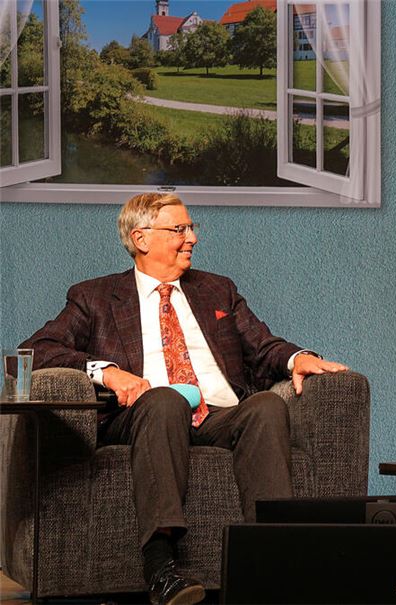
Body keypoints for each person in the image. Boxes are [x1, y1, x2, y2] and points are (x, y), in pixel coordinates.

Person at [21, 193, 348, 605]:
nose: (192, 237)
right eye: (179, 229)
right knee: (165, 401)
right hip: (144, 413)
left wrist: (297, 358)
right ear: (141, 238)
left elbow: (263, 345)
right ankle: (161, 567)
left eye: (191, 228)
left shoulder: (217, 290)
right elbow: (37, 350)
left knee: (267, 406)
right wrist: (106, 371)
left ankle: (273, 560)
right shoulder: (95, 296)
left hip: (218, 414)